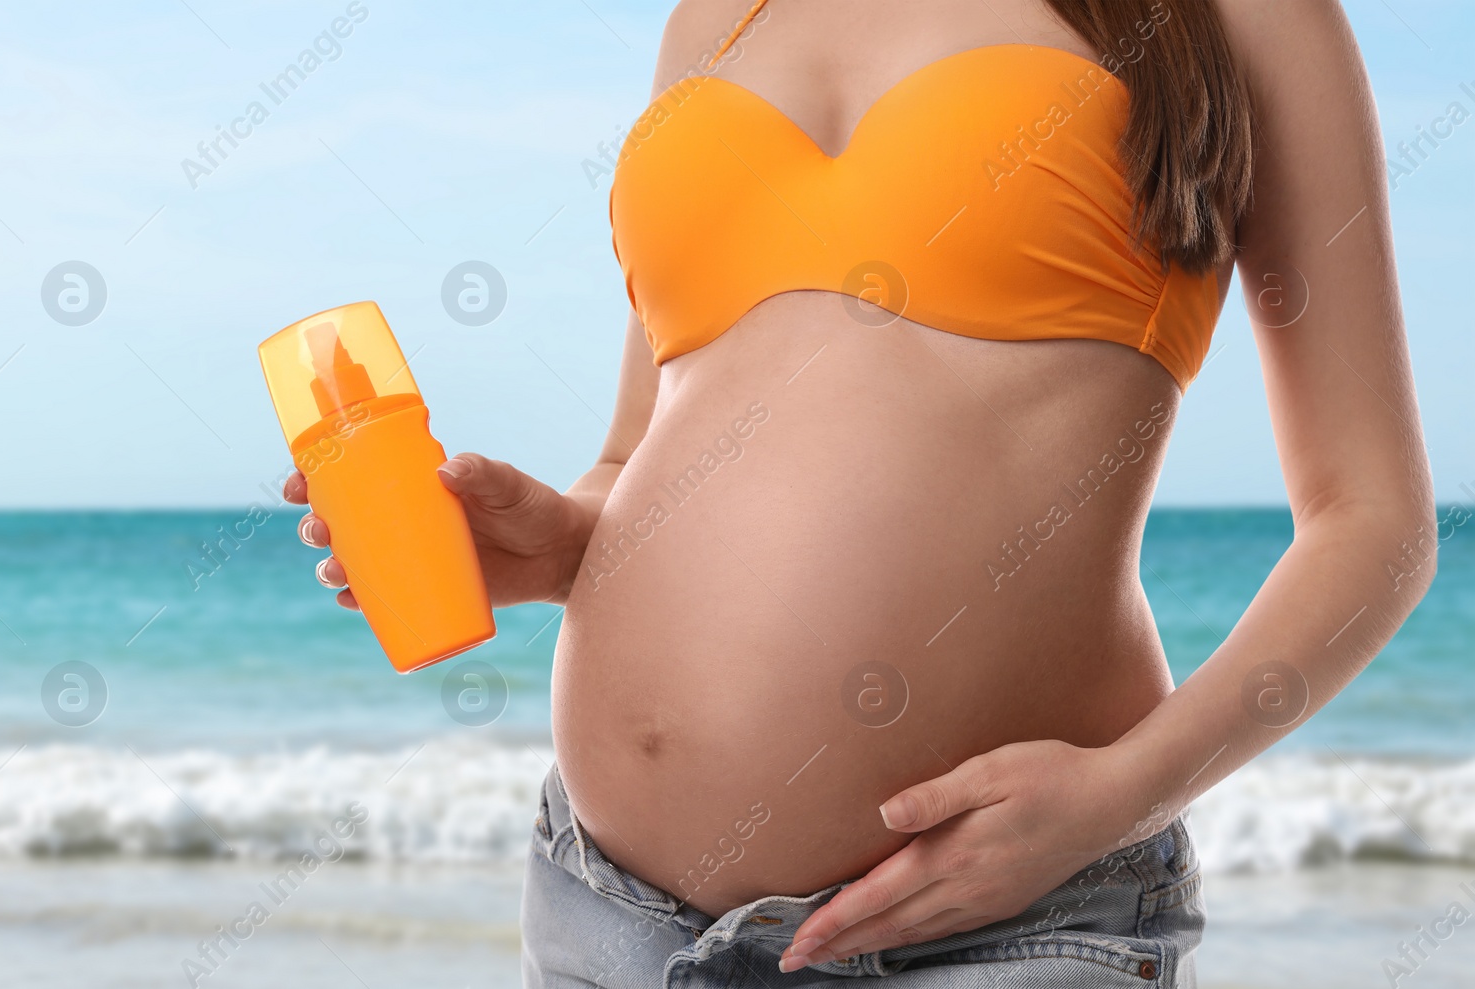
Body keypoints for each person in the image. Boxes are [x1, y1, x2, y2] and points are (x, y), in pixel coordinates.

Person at [284, 0, 1436, 984]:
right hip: (602, 902)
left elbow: (1372, 523)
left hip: (1000, 926)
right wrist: (555, 537)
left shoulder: (1236, 17)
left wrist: (1116, 797)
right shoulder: (717, 18)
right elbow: (636, 450)